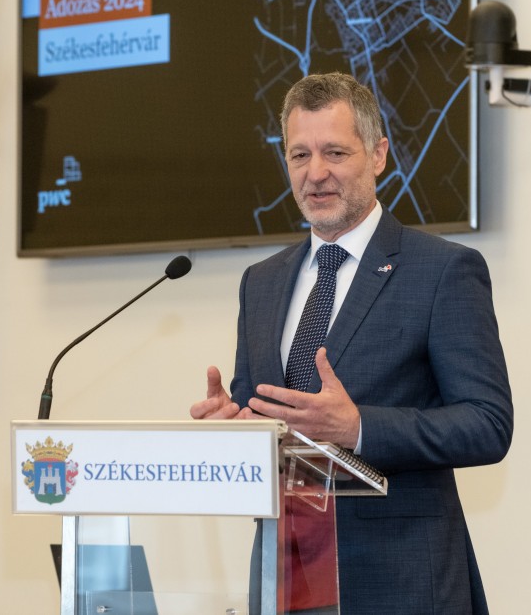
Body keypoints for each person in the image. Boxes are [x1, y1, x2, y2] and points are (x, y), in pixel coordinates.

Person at [190, 72, 513, 614]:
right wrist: (235, 428)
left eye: (335, 152)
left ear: (378, 154)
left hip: (401, 584)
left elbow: (488, 424)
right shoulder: (260, 282)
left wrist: (359, 428)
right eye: (300, 155)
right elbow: (264, 416)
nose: (315, 173)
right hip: (286, 578)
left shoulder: (443, 271)